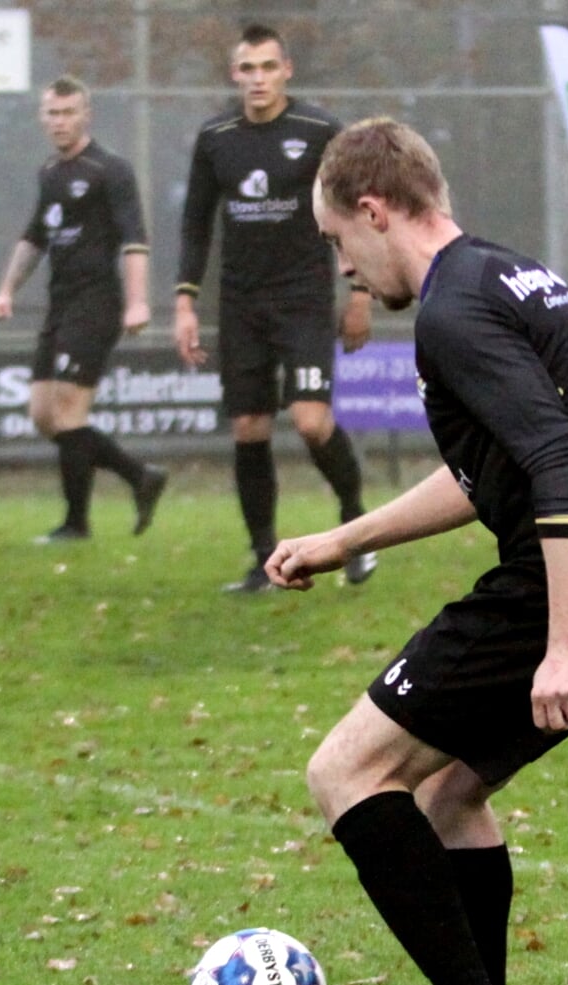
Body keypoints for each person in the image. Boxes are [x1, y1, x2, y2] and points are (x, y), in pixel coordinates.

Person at [273, 118, 568, 985]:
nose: (347, 272)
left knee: (345, 771)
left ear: (375, 211)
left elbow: (556, 466)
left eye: (339, 244)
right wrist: (343, 539)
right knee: (451, 793)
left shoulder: (448, 313)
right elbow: (488, 468)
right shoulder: (505, 274)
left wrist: (563, 640)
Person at [174, 23, 376, 594]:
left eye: (268, 67)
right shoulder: (216, 137)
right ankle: (264, 558)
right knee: (248, 426)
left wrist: (360, 293)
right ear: (235, 74)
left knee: (311, 422)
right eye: (247, 68)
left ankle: (354, 525)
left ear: (286, 70)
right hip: (239, 303)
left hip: (304, 300)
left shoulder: (318, 131)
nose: (257, 79)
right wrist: (185, 302)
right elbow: (194, 225)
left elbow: (356, 210)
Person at [0, 75, 166, 543]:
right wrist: (7, 289)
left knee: (68, 412)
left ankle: (76, 523)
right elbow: (34, 237)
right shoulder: (50, 172)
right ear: (42, 117)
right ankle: (139, 476)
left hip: (97, 304)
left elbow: (135, 238)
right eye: (52, 113)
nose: (60, 122)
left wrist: (137, 302)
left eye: (69, 113)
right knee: (44, 415)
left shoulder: (111, 169)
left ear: (86, 115)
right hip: (60, 305)